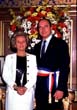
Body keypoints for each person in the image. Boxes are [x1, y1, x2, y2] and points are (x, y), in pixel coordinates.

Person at [30, 18, 70, 110]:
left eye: (46, 26)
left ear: (51, 28)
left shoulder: (60, 44)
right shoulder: (37, 46)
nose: (43, 29)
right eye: (40, 27)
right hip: (40, 89)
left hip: (55, 87)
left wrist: (61, 88)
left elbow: (65, 67)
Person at [2, 30, 37, 110]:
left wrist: (25, 88)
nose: (21, 44)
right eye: (18, 42)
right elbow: (5, 75)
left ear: (26, 43)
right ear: (15, 44)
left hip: (27, 94)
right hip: (13, 94)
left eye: (23, 41)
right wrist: (15, 87)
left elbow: (34, 76)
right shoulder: (9, 58)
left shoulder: (33, 58)